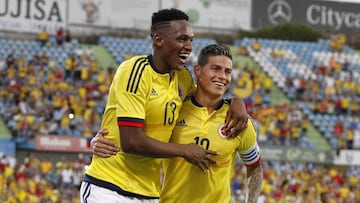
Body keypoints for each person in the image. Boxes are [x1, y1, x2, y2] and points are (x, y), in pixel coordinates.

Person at [80, 8, 248, 203]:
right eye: (182, 39)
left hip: (149, 193)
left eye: (191, 40)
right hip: (109, 187)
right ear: (159, 40)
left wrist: (236, 102)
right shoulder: (135, 71)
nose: (189, 46)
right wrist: (184, 150)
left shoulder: (183, 78)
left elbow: (207, 99)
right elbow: (131, 141)